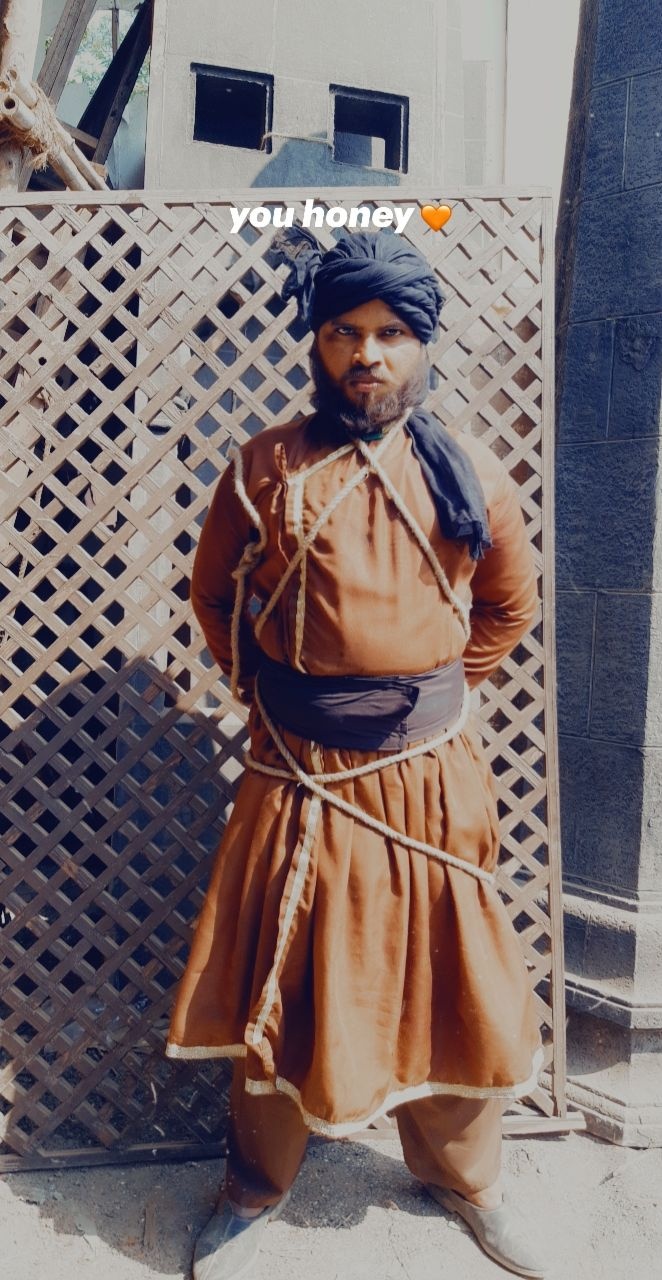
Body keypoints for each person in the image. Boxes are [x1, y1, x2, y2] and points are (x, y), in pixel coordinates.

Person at [166, 227, 547, 1280]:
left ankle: (466, 1182)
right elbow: (213, 596)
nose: (366, 354)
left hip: (428, 780)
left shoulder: (471, 472)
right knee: (282, 976)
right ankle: (254, 1188)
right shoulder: (264, 467)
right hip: (297, 774)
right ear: (317, 343)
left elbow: (507, 606)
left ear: (421, 344)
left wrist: (422, 702)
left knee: (454, 980)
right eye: (343, 332)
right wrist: (271, 697)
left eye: (388, 333)